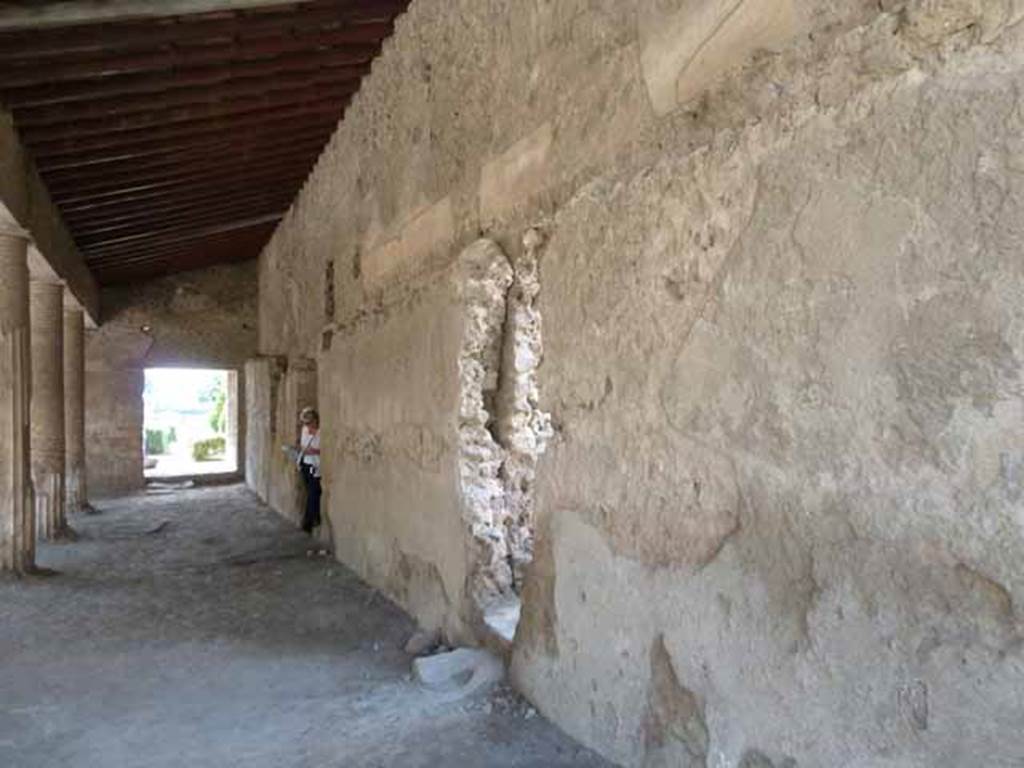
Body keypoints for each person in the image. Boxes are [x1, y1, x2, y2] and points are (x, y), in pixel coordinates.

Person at [296, 406, 321, 534]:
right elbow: (303, 446)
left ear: (316, 421)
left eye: (310, 423)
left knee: (313, 492)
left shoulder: (321, 432)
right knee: (311, 492)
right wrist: (310, 450)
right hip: (307, 465)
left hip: (315, 466)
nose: (308, 426)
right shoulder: (305, 430)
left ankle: (308, 521)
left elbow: (322, 449)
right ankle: (312, 518)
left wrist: (312, 451)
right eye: (306, 423)